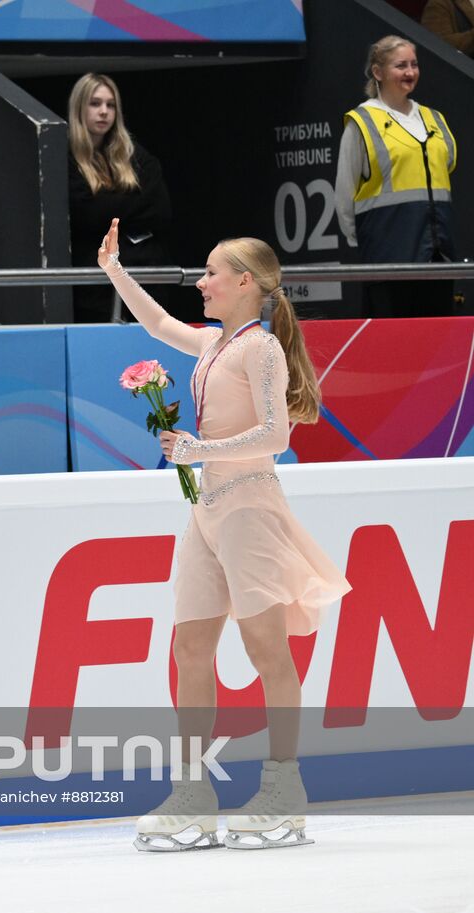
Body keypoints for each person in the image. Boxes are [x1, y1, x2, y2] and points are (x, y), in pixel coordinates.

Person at [98, 219, 351, 852]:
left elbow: (276, 436)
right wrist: (114, 271)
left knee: (268, 651)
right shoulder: (215, 343)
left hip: (249, 507)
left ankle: (284, 787)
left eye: (212, 272)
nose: (202, 282)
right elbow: (158, 326)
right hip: (209, 509)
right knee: (190, 646)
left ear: (244, 282)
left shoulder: (260, 348)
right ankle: (193, 793)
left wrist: (197, 447)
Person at [336, 36, 458, 318]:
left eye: (414, 64)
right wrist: (369, 244)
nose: (410, 72)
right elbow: (344, 196)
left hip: (438, 256)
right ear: (378, 72)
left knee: (437, 344)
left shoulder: (434, 118)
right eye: (400, 65)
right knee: (395, 347)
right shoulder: (363, 122)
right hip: (387, 258)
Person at [67, 73, 172, 323]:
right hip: (94, 291)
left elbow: (160, 209)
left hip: (144, 279)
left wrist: (107, 203)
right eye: (95, 103)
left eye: (110, 105)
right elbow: (87, 215)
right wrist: (134, 200)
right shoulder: (65, 154)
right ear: (79, 107)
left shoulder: (133, 153)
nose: (104, 111)